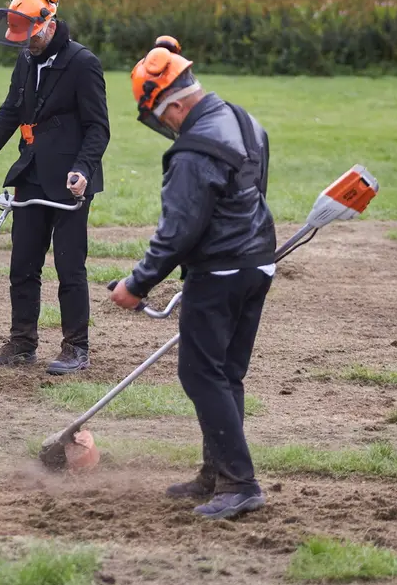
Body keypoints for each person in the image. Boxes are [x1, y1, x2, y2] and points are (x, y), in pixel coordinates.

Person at [110, 36, 276, 520]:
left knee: (200, 373)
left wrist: (136, 284)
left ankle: (241, 483)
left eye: (164, 117)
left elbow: (179, 232)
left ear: (175, 103)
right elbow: (254, 193)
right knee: (226, 374)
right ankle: (217, 474)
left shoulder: (192, 152)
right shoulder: (246, 122)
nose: (167, 126)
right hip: (257, 263)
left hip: (220, 270)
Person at [0, 0, 110, 375]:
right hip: (31, 174)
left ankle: (76, 347)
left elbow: (98, 128)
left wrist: (83, 170)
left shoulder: (83, 63)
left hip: (70, 181)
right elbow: (11, 112)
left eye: (30, 36)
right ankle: (22, 343)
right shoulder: (25, 59)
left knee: (69, 266)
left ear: (48, 24)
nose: (25, 44)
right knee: (23, 264)